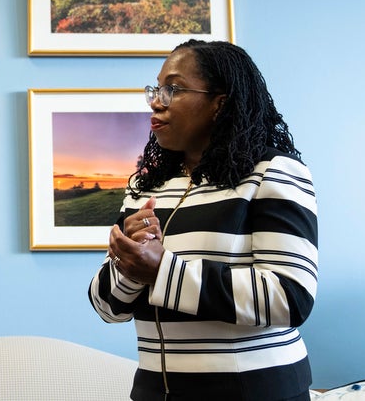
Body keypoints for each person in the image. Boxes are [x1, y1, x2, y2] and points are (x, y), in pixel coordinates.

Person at [88, 40, 317, 401]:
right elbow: (107, 308)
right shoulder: (146, 187)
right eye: (156, 88)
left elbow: (291, 297)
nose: (156, 100)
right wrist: (129, 267)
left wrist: (162, 270)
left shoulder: (272, 172)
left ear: (218, 103)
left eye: (173, 89)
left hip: (256, 392)